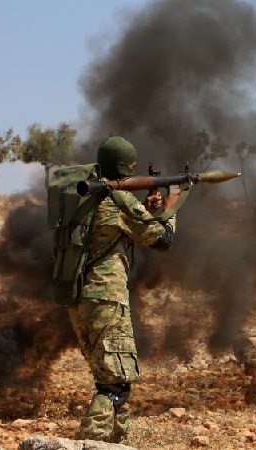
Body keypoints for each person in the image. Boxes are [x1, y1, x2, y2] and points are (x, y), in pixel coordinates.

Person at [68, 136, 181, 444]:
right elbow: (161, 240)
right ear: (126, 167)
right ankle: (90, 439)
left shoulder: (84, 196)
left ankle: (117, 439)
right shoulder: (117, 200)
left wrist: (144, 207)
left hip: (79, 298)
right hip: (107, 299)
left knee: (113, 376)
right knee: (115, 383)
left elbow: (113, 231)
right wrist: (172, 208)